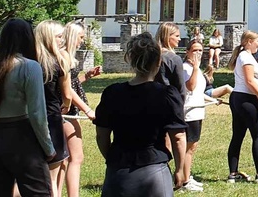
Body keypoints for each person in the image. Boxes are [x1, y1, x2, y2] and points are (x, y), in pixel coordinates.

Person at [94, 32, 187, 196]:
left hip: (119, 170)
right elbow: (178, 137)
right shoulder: (167, 95)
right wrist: (180, 169)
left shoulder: (112, 93)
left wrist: (113, 158)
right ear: (158, 61)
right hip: (154, 169)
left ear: (131, 60)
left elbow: (102, 135)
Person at [0, 19, 54, 197]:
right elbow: (37, 113)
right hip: (22, 137)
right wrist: (48, 148)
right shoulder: (29, 66)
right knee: (38, 192)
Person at [226, 31, 258, 184]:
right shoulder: (245, 57)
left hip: (237, 98)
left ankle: (233, 174)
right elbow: (250, 81)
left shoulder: (245, 56)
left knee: (237, 136)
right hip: (246, 99)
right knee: (257, 136)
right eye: (257, 41)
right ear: (249, 41)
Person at [62, 22, 102, 197]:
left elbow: (69, 84)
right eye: (80, 37)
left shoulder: (64, 56)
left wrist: (86, 76)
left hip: (61, 112)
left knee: (62, 160)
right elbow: (67, 90)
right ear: (71, 36)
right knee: (76, 157)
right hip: (66, 113)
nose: (82, 41)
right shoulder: (65, 58)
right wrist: (87, 109)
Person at [35, 20, 73, 197]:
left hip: (31, 120)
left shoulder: (29, 63)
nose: (62, 40)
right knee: (52, 178)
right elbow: (67, 95)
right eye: (58, 36)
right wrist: (65, 106)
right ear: (48, 38)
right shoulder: (58, 61)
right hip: (52, 119)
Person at [180, 42, 207, 192]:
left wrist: (213, 99)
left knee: (192, 146)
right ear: (187, 51)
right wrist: (196, 68)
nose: (198, 53)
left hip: (197, 111)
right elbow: (189, 87)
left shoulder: (195, 69)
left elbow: (198, 91)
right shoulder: (186, 68)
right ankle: (185, 181)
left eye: (201, 50)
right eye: (195, 50)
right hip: (189, 112)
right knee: (188, 147)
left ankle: (187, 176)